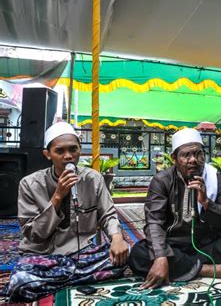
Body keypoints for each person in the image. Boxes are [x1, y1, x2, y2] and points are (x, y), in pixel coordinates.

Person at [6, 122, 129, 302]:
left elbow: (107, 214)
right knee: (20, 281)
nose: (68, 156)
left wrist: (117, 238)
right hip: (44, 256)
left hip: (82, 254)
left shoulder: (93, 179)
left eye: (73, 149)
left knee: (123, 258)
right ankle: (78, 278)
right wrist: (58, 196)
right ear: (47, 154)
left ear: (80, 149)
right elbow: (34, 234)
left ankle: (60, 280)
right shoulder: (30, 184)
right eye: (60, 151)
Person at [128, 128, 221, 289]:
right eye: (186, 155)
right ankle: (206, 270)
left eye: (198, 154)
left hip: (207, 244)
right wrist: (160, 257)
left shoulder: (216, 179)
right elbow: (154, 223)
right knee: (139, 254)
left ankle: (185, 267)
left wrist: (207, 203)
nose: (193, 160)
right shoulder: (162, 181)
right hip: (173, 245)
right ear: (174, 158)